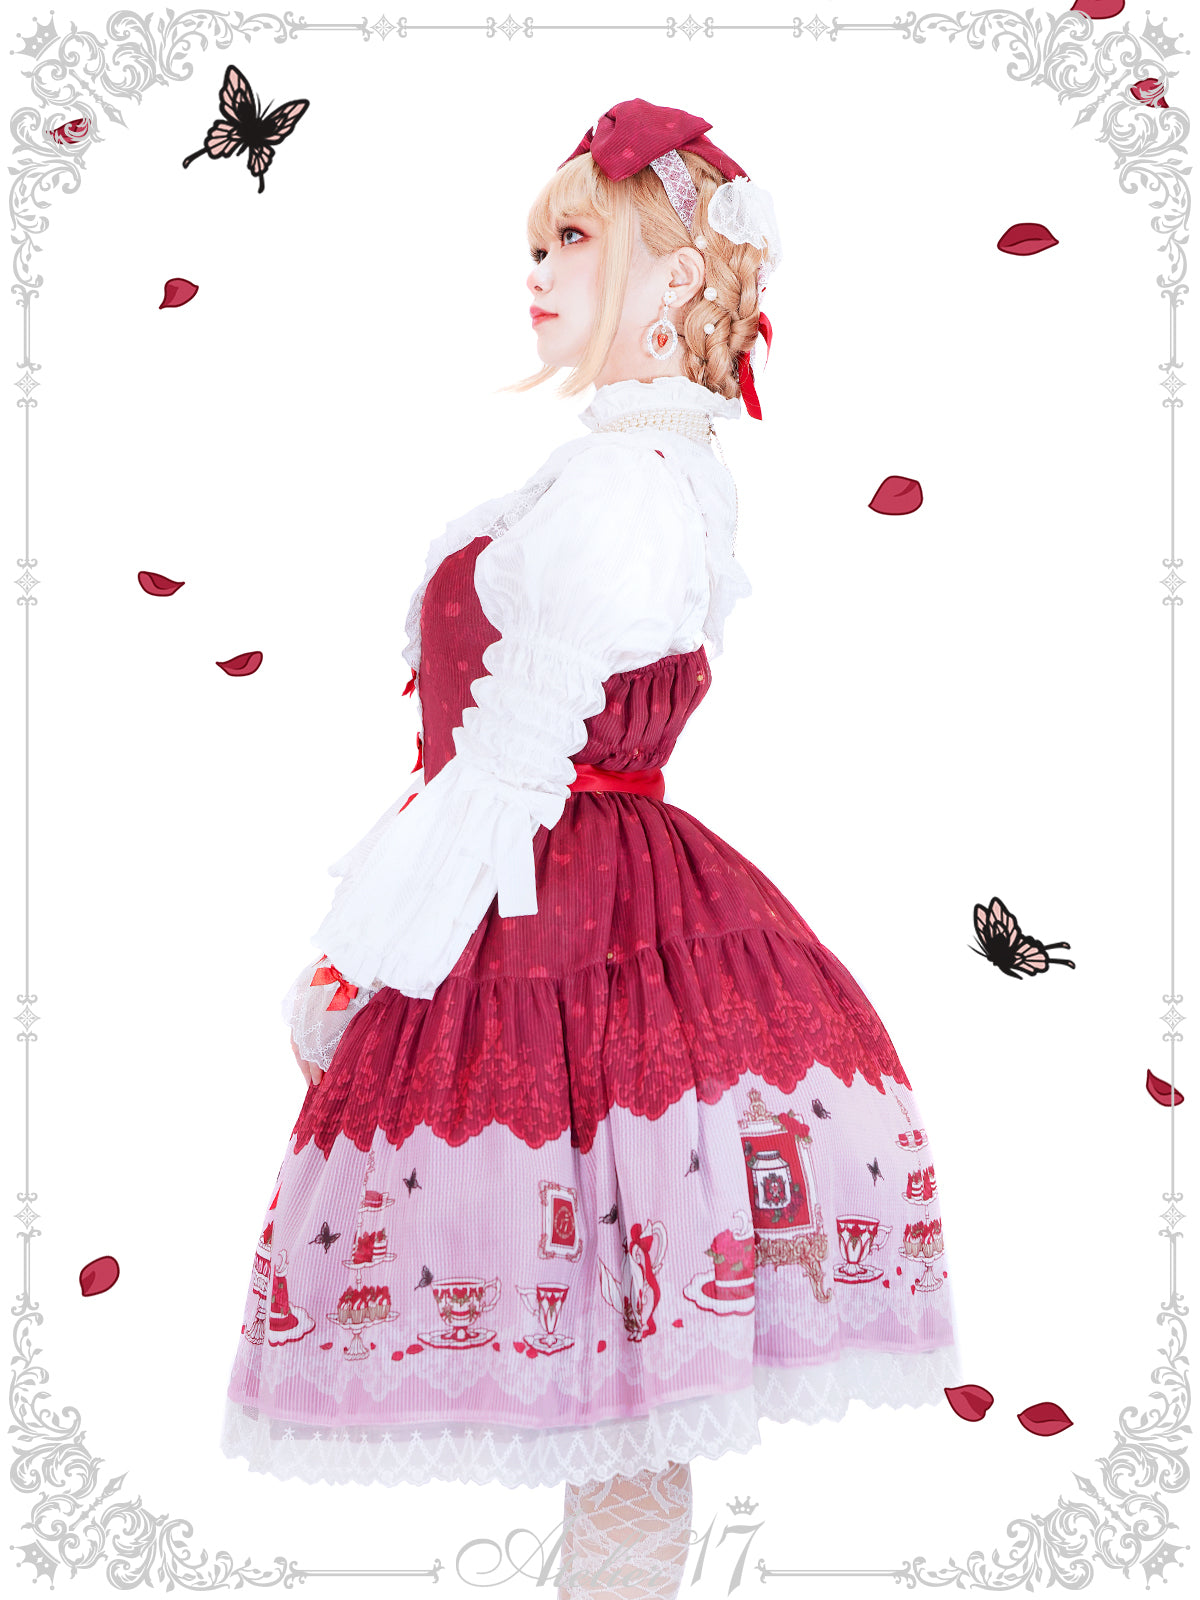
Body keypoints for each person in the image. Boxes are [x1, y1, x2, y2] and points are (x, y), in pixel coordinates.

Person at [221, 99, 963, 1600]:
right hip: (559, 902)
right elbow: (479, 762)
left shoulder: (629, 486)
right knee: (620, 1373)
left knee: (624, 1372)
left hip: (572, 919)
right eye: (537, 241)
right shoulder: (618, 470)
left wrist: (367, 953)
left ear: (678, 276)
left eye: (574, 238)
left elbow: (510, 763)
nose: (540, 269)